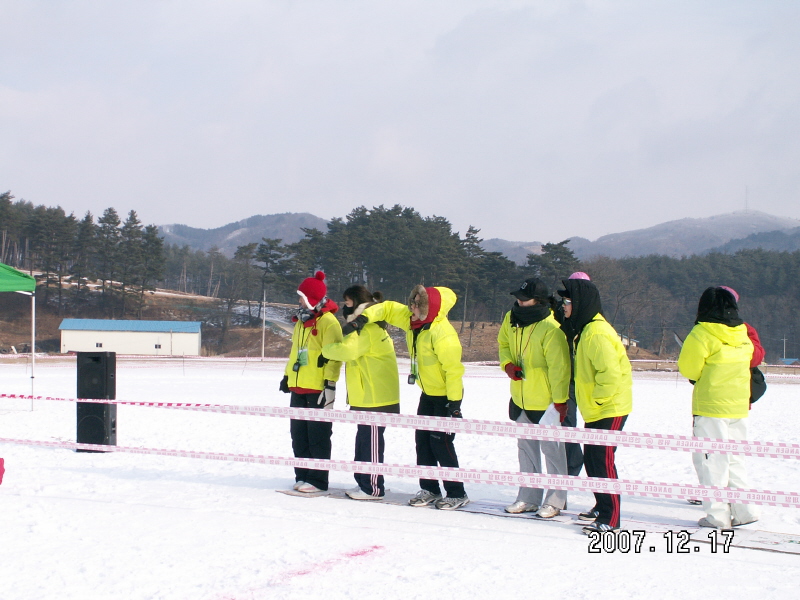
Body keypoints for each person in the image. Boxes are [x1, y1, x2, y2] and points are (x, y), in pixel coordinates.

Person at [345, 285, 469, 510]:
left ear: (429, 309)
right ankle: (430, 488)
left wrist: (455, 404)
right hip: (428, 394)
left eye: (417, 305)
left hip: (445, 398)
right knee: (422, 443)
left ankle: (456, 492)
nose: (411, 307)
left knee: (441, 444)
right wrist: (363, 317)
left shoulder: (443, 334)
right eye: (412, 303)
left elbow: (454, 371)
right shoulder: (415, 322)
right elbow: (389, 308)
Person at [678, 286, 760, 529]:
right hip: (738, 405)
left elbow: (689, 368)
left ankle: (717, 517)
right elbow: (753, 358)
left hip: (711, 406)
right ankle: (745, 511)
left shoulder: (702, 332)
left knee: (711, 461)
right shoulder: (742, 331)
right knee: (735, 458)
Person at [558, 277, 632, 534]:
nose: (564, 306)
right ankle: (602, 506)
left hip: (609, 408)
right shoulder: (586, 330)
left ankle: (612, 519)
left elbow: (609, 375)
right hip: (597, 408)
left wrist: (598, 401)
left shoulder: (597, 333)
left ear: (580, 303)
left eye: (567, 301)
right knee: (592, 460)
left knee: (603, 462)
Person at [498, 278, 571, 518]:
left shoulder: (551, 328)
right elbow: (503, 343)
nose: (519, 301)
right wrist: (507, 364)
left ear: (538, 300)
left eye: (524, 298)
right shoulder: (511, 319)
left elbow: (559, 369)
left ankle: (556, 500)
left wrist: (560, 402)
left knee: (553, 452)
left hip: (547, 402)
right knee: (526, 450)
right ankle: (528, 497)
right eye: (517, 297)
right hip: (520, 398)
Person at [321, 285, 400, 500]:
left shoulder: (367, 329)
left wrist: (324, 349)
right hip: (369, 395)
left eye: (347, 303)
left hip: (375, 397)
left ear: (356, 304)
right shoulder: (371, 328)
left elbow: (347, 350)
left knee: (371, 442)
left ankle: (372, 487)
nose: (344, 308)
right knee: (364, 440)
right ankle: (364, 483)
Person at [279, 271, 342, 494]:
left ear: (312, 299)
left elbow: (334, 356)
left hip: (318, 388)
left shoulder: (329, 322)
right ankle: (303, 475)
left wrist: (330, 384)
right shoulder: (300, 322)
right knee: (299, 435)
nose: (299, 301)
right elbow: (295, 352)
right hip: (299, 386)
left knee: (318, 436)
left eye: (302, 297)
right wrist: (288, 376)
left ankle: (318, 480)